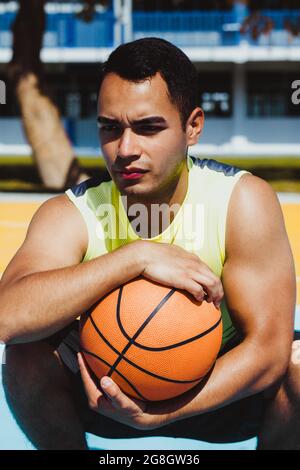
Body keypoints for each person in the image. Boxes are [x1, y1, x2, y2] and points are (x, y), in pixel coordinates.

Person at [0, 37, 299, 450]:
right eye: (110, 127)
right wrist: (134, 258)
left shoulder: (240, 201)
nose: (125, 149)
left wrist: (160, 414)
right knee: (24, 356)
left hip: (219, 395)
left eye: (148, 128)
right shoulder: (72, 212)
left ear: (192, 126)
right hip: (104, 394)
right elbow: (6, 317)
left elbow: (267, 353)